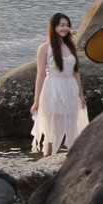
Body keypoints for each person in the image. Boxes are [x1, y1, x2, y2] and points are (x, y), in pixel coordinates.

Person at [30, 12, 86, 156]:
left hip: (70, 88)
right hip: (52, 88)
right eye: (61, 25)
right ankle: (47, 158)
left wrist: (81, 95)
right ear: (54, 27)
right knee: (51, 128)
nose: (65, 28)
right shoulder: (45, 48)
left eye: (67, 26)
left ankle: (69, 158)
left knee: (71, 124)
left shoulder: (71, 46)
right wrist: (36, 101)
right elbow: (41, 74)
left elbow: (75, 72)